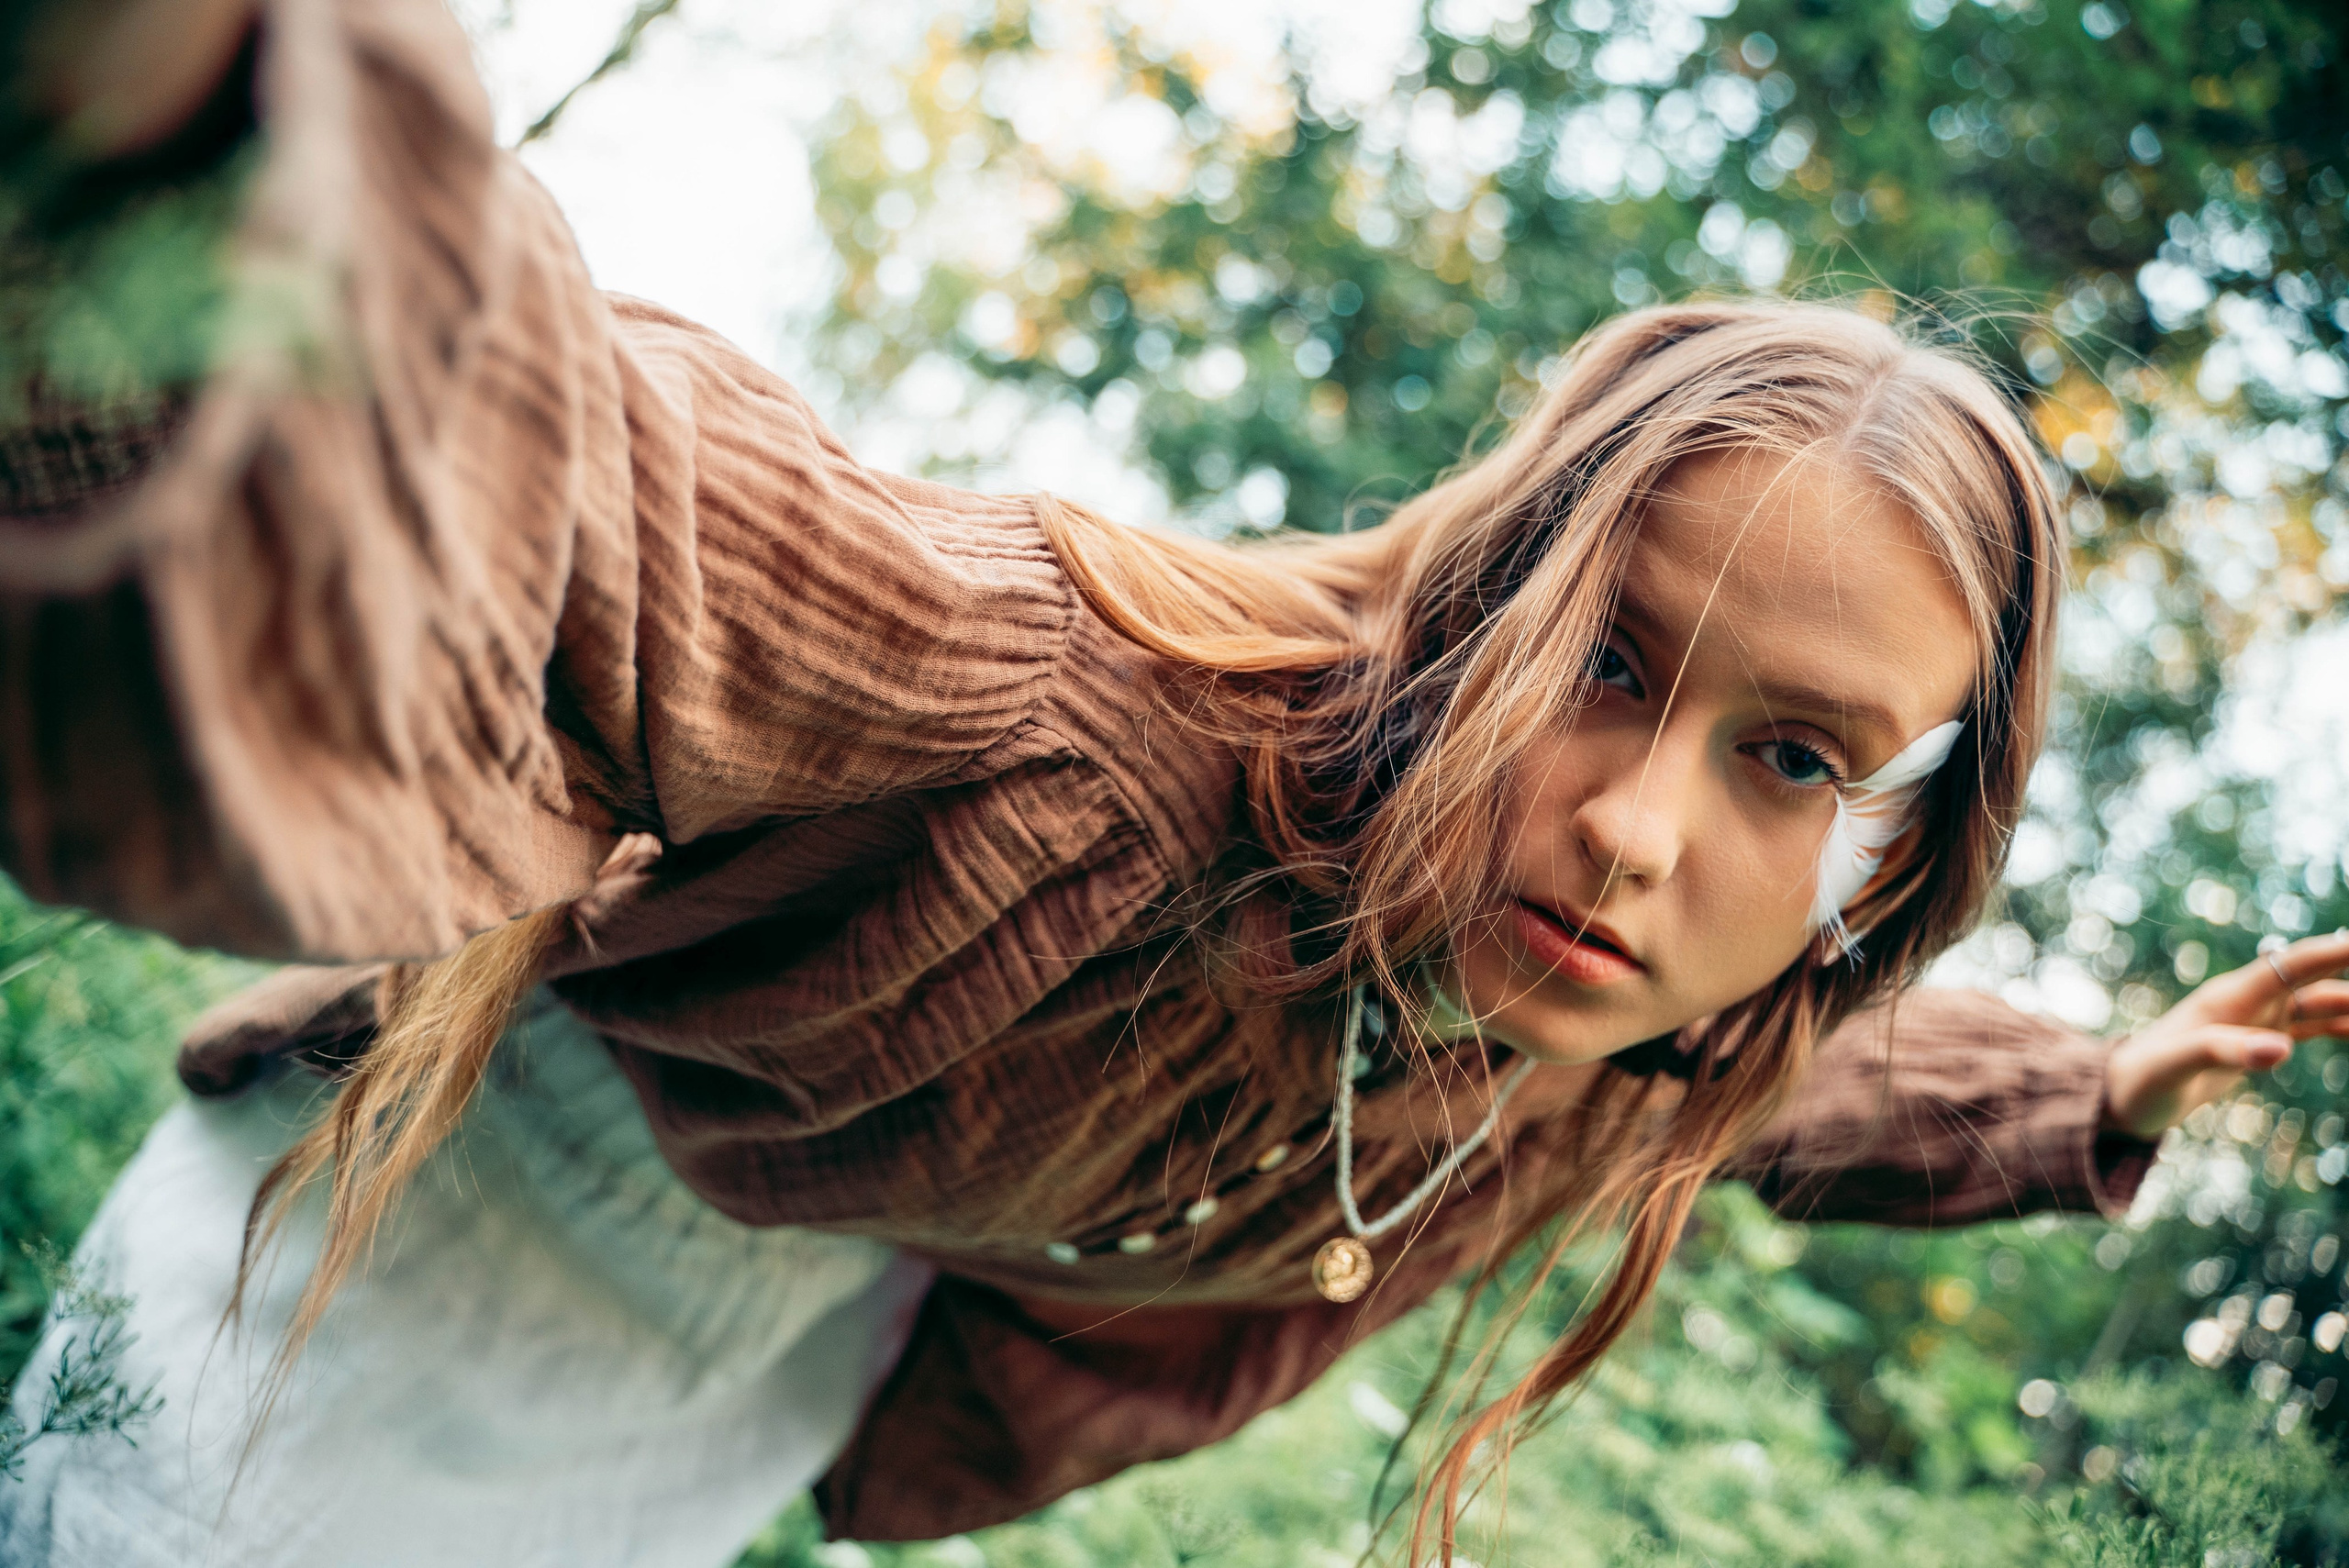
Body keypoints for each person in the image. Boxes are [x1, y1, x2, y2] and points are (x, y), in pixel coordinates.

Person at [4, 1, 2346, 1564]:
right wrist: (214, 147)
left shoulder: (1623, 1027)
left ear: (1888, 858)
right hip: (411, 1242)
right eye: (1602, 662)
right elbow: (626, 501)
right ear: (1483, 594)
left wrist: (2093, 1089)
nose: (1638, 832)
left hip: (732, 1393)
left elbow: (1813, 1088)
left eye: (1793, 761)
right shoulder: (1076, 724)